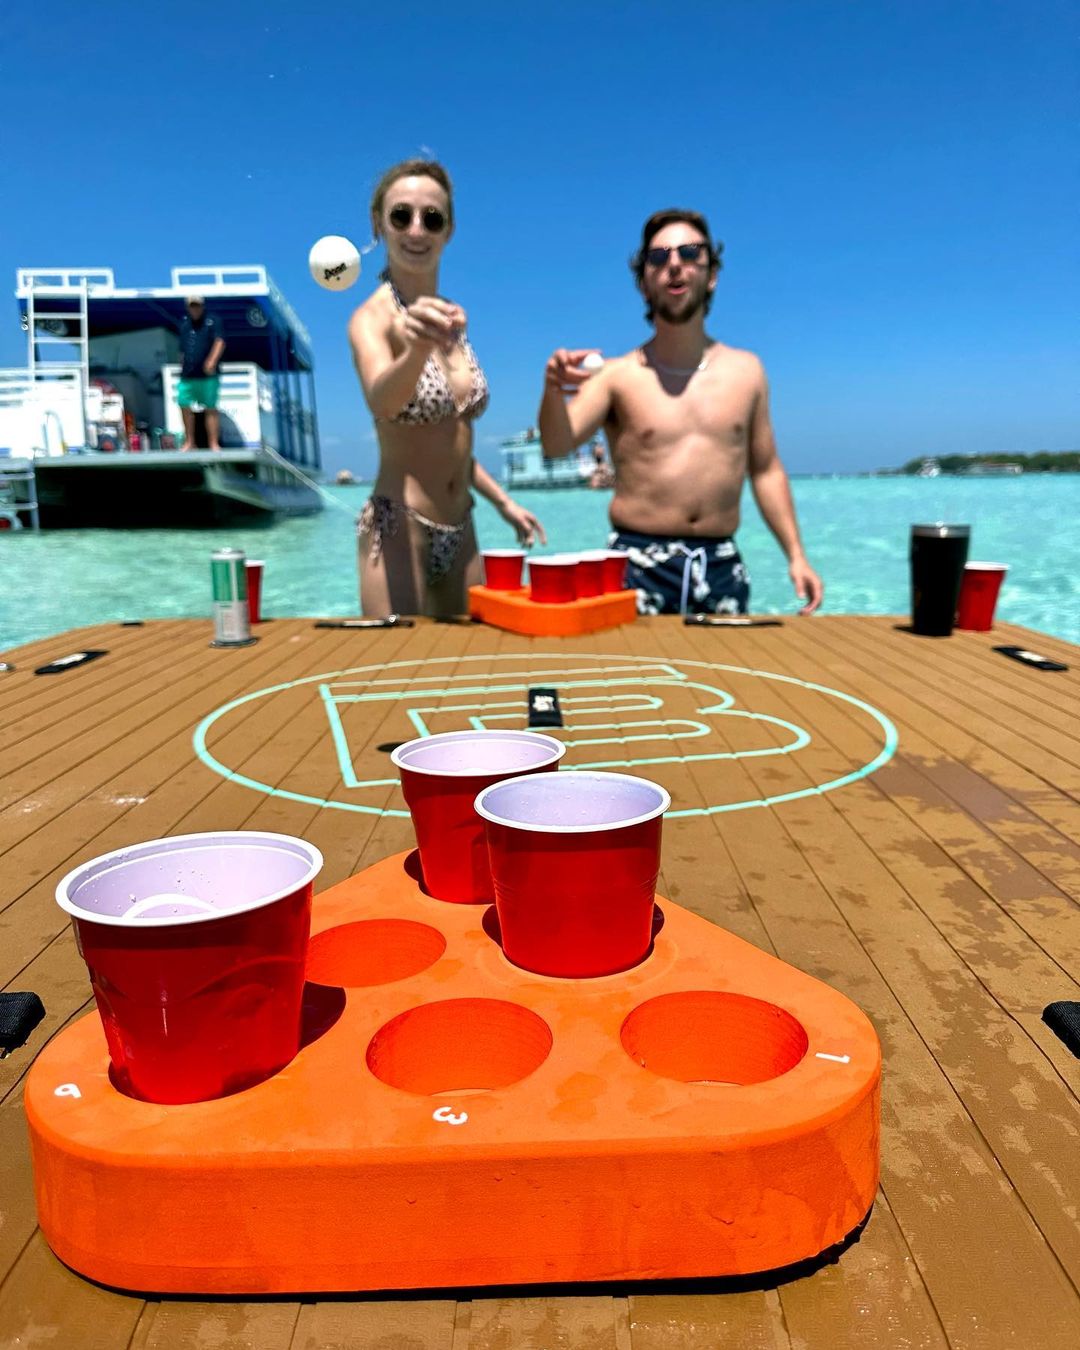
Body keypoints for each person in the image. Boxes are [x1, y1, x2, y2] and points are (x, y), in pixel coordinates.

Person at [538, 208, 823, 617]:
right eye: (659, 257)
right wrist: (551, 390)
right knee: (635, 681)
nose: (674, 264)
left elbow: (765, 469)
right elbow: (555, 442)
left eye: (690, 254)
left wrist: (797, 555)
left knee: (725, 679)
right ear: (643, 283)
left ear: (712, 275)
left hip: (720, 563)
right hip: (635, 566)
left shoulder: (747, 372)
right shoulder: (618, 375)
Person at [349, 159, 545, 618]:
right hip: (401, 527)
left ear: (449, 231)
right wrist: (415, 350)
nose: (417, 230)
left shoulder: (452, 317)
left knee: (466, 676)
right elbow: (382, 400)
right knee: (397, 679)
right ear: (379, 224)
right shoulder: (371, 319)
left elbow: (452, 437)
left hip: (463, 527)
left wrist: (504, 503)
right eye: (401, 216)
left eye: (431, 218)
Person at [177, 295, 225, 451]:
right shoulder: (184, 324)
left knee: (210, 408)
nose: (195, 308)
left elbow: (220, 341)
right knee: (184, 404)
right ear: (188, 307)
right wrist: (181, 365)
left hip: (208, 376)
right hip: (188, 376)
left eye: (197, 305)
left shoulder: (213, 321)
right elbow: (182, 350)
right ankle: (190, 441)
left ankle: (213, 443)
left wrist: (212, 360)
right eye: (192, 306)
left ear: (202, 306)